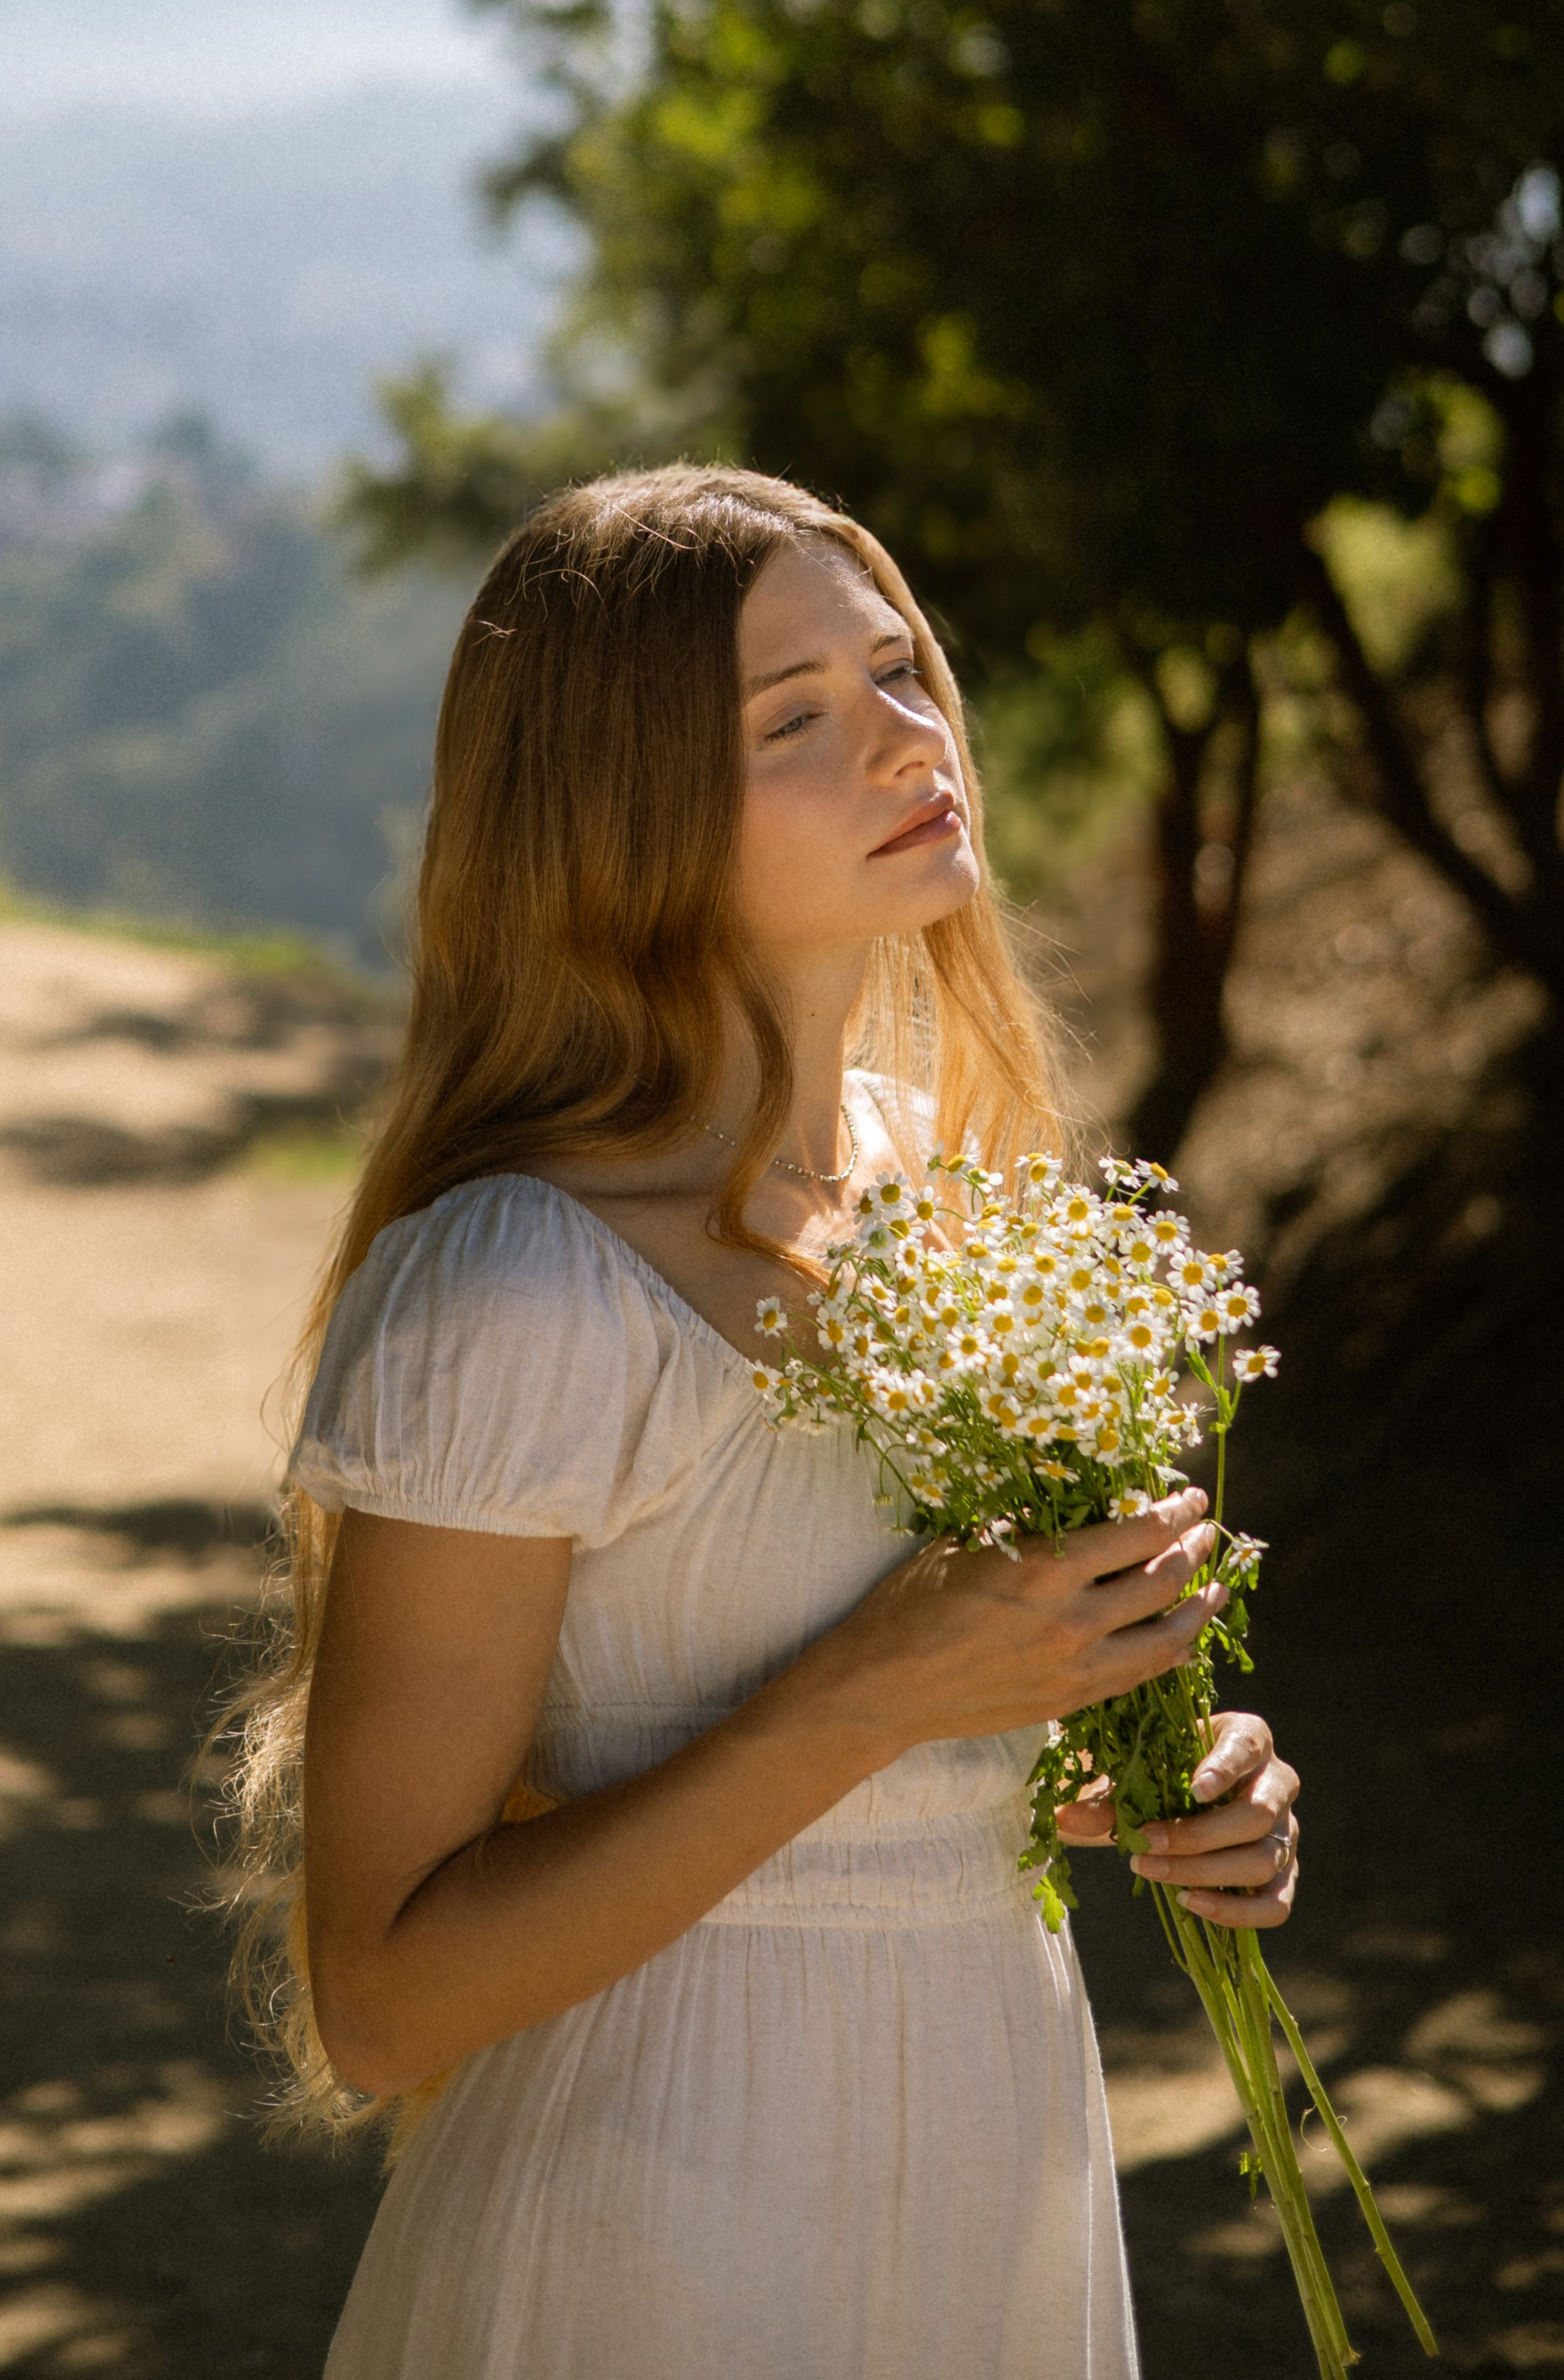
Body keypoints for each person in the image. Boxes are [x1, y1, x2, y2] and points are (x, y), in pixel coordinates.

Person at [227, 466, 1301, 2380]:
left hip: (987, 2173)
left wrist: (1156, 1763)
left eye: (896, 669)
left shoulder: (953, 1196)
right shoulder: (519, 1283)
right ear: (622, 816)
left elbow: (948, 1756)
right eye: (793, 715)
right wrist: (872, 1689)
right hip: (655, 2232)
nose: (906, 733)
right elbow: (381, 1997)